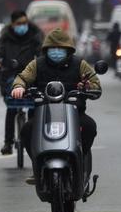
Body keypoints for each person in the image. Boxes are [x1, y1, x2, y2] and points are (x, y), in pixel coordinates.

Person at [11, 28, 101, 183]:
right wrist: (19, 87)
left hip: (74, 113)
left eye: (61, 49)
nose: (57, 52)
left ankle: (80, 160)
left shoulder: (80, 64)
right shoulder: (36, 64)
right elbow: (22, 78)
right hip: (43, 115)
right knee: (26, 130)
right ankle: (38, 166)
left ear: (68, 50)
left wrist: (87, 88)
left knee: (89, 126)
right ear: (46, 50)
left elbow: (95, 85)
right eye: (53, 49)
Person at [0, 10, 42, 155]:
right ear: (12, 24)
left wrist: (41, 63)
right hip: (10, 74)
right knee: (11, 107)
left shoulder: (35, 34)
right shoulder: (6, 37)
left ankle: (34, 139)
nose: (22, 26)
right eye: (19, 24)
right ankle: (8, 142)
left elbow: (41, 51)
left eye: (25, 23)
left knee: (34, 107)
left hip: (31, 75)